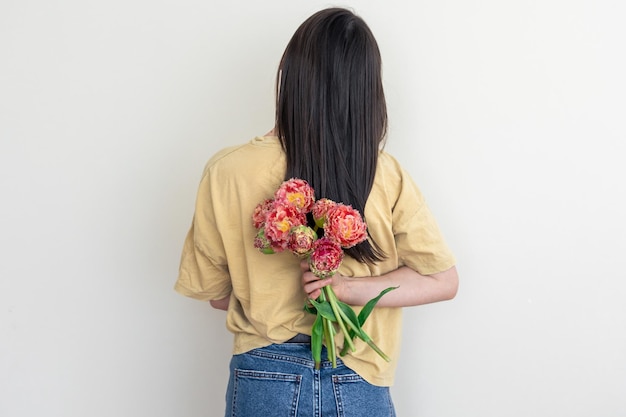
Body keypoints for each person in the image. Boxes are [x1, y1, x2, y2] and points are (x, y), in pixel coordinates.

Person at [175, 7, 458, 417]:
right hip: (359, 376)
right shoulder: (385, 174)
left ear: (290, 72)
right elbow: (442, 280)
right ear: (366, 90)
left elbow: (216, 295)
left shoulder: (227, 171)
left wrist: (279, 285)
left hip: (263, 379)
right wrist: (351, 289)